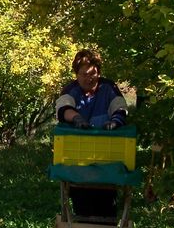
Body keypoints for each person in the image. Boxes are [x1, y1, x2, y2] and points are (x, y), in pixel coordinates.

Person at [55, 49, 128, 218]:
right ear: (77, 75)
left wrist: (115, 121)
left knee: (107, 206)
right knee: (83, 204)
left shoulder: (109, 88)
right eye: (84, 74)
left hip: (107, 158)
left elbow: (120, 107)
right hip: (77, 159)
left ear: (99, 72)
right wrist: (76, 118)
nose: (89, 78)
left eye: (93, 73)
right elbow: (63, 108)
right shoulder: (70, 90)